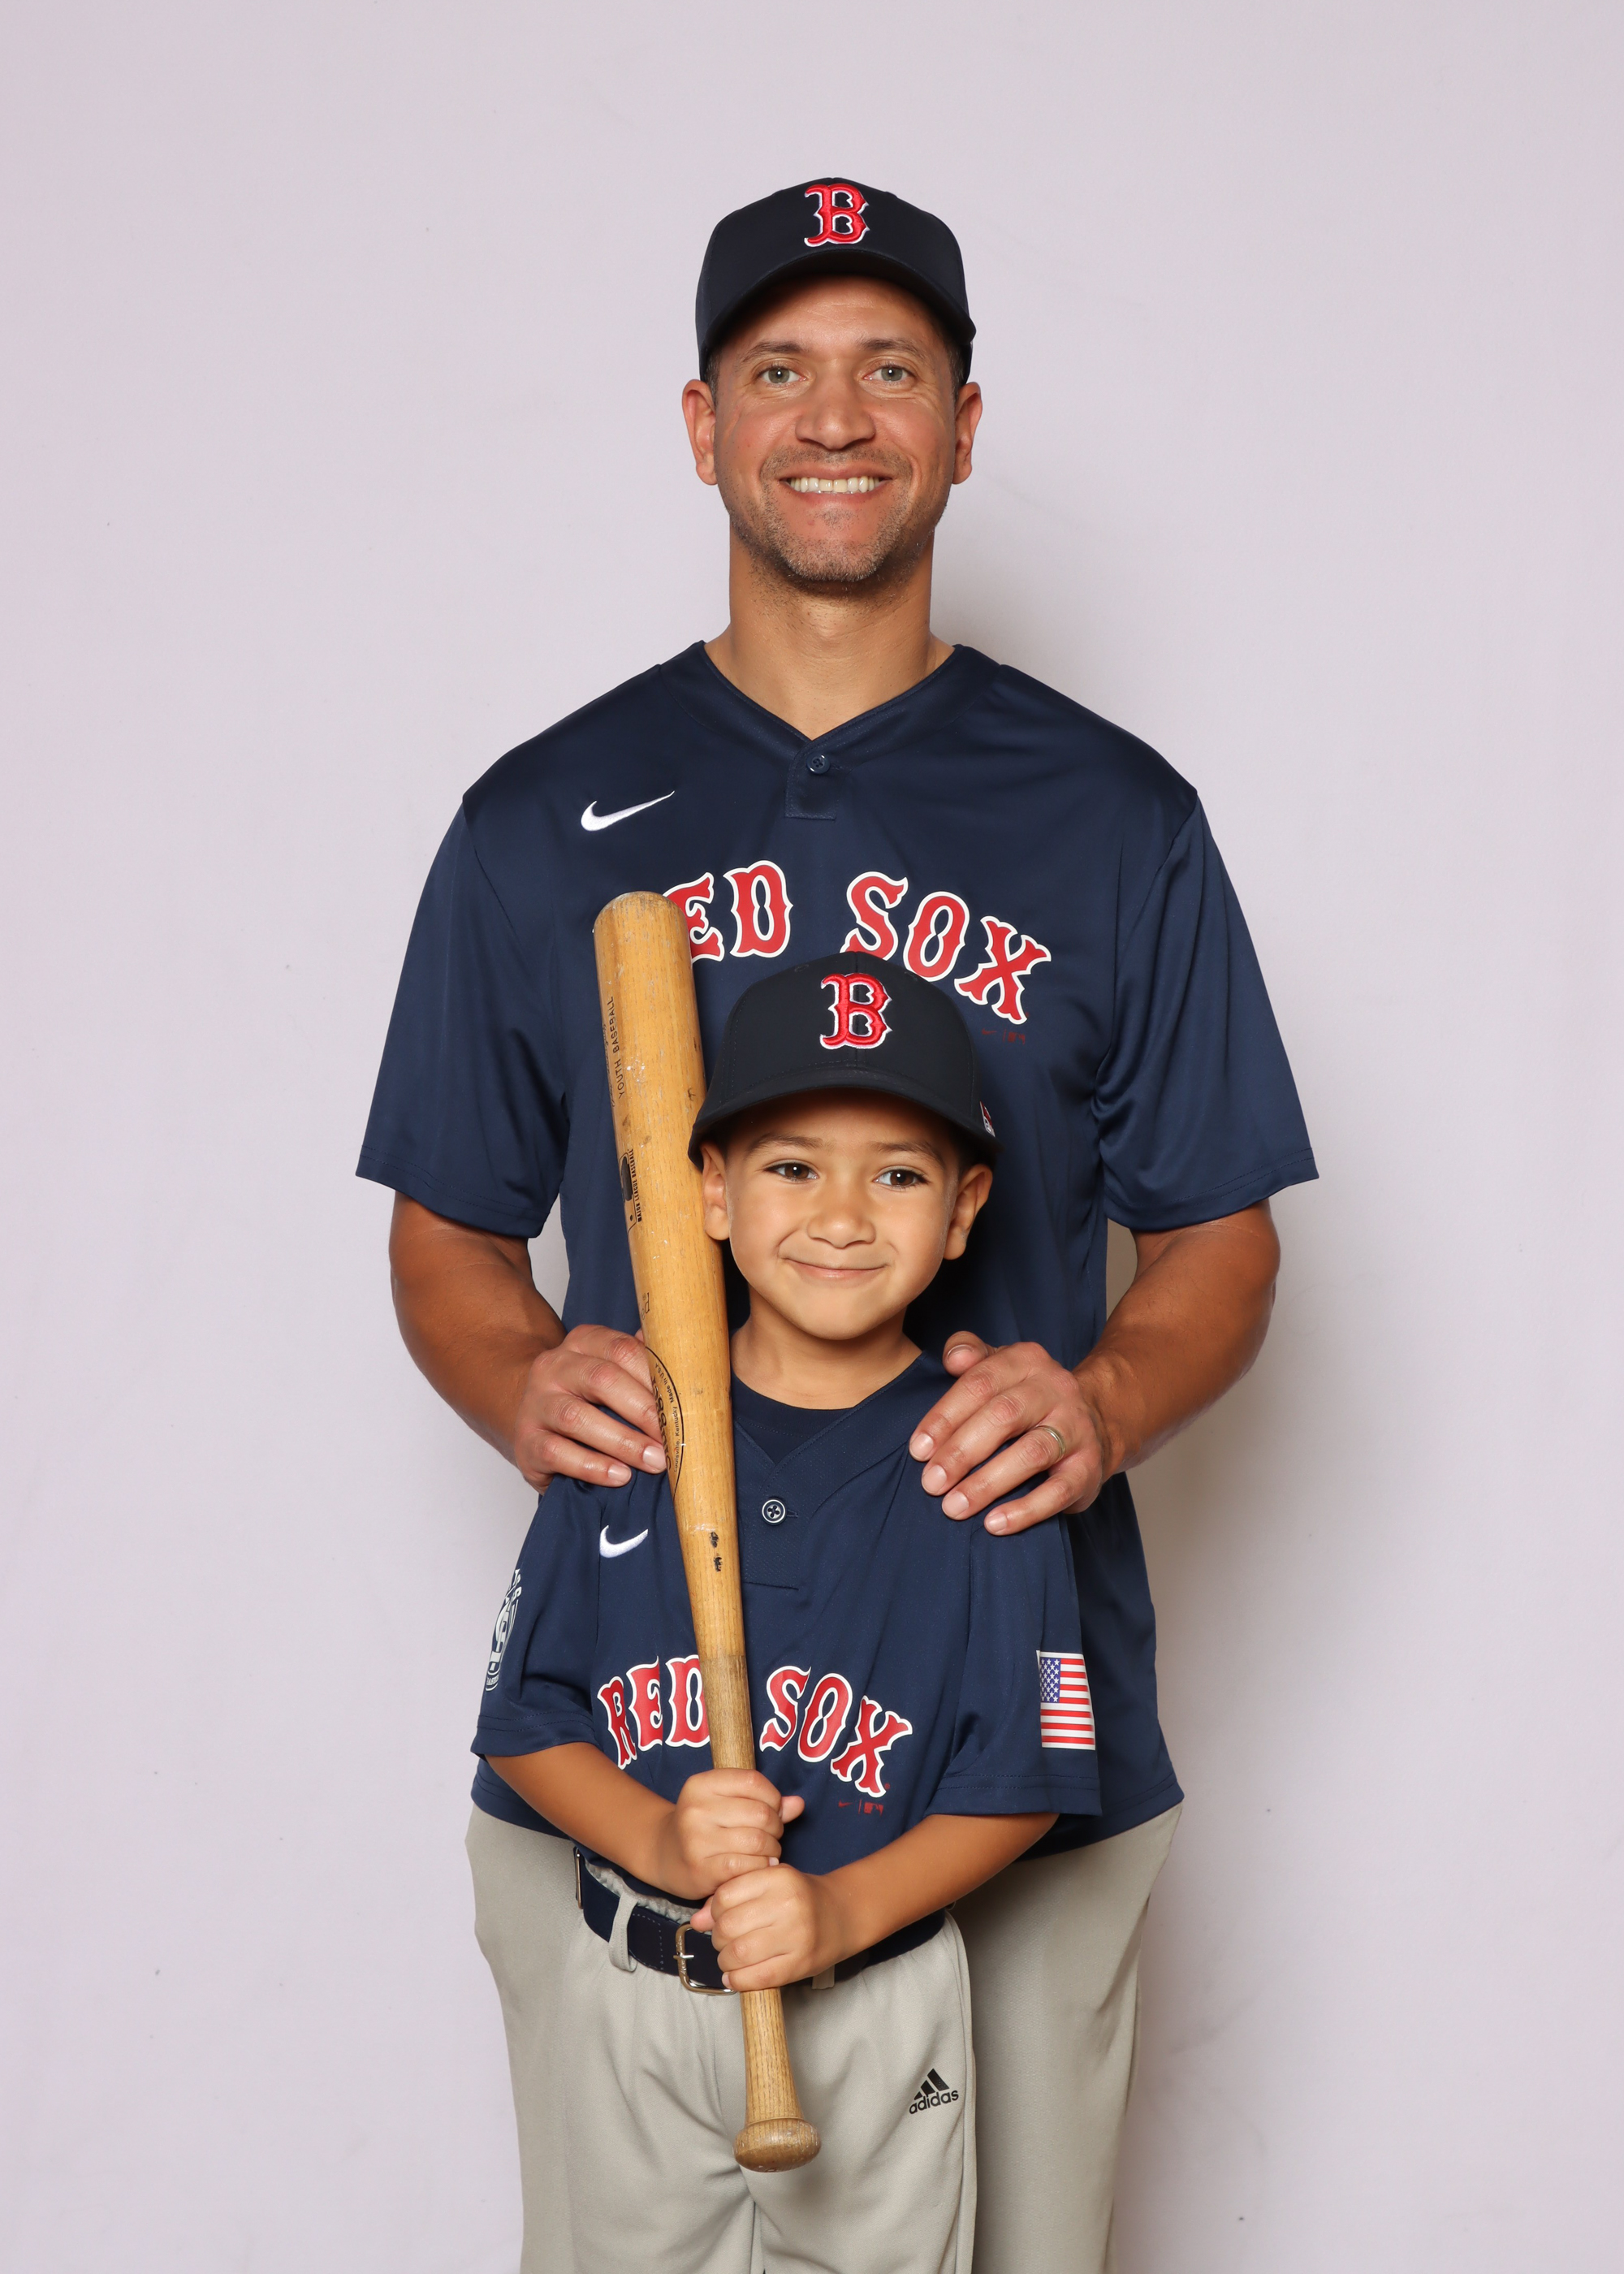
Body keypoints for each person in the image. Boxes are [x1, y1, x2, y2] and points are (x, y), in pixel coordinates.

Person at [360, 176, 1315, 2273]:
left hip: (1002, 1757)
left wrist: (1102, 1404)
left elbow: (1224, 1240)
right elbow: (446, 1235)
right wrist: (524, 1378)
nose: (833, 417)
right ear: (701, 425)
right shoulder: (540, 819)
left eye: (891, 368)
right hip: (646, 1744)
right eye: (778, 369)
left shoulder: (1116, 818)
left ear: (962, 427)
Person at [474, 955, 1096, 2272]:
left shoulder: (984, 1457)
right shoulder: (627, 1425)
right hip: (636, 1991)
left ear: (965, 1209)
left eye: (900, 1174)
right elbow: (525, 1725)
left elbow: (1023, 1786)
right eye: (792, 1166)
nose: (843, 1216)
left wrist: (841, 1913)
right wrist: (659, 1834)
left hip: (869, 1995)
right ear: (710, 1189)